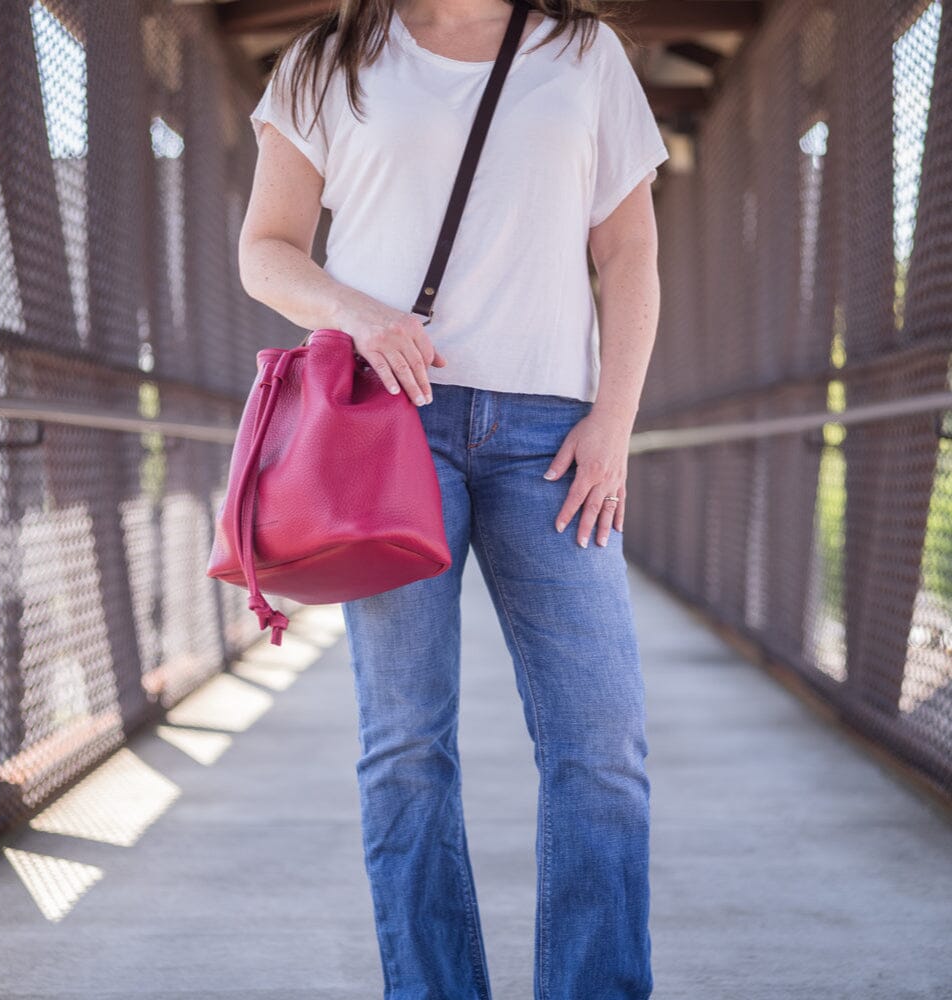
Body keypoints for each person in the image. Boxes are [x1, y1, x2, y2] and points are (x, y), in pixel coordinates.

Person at [239, 1, 669, 996]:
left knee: (601, 742)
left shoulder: (581, 51)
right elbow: (267, 247)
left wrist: (615, 419)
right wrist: (356, 313)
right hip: (385, 431)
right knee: (405, 746)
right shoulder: (327, 59)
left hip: (552, 440)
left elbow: (629, 252)